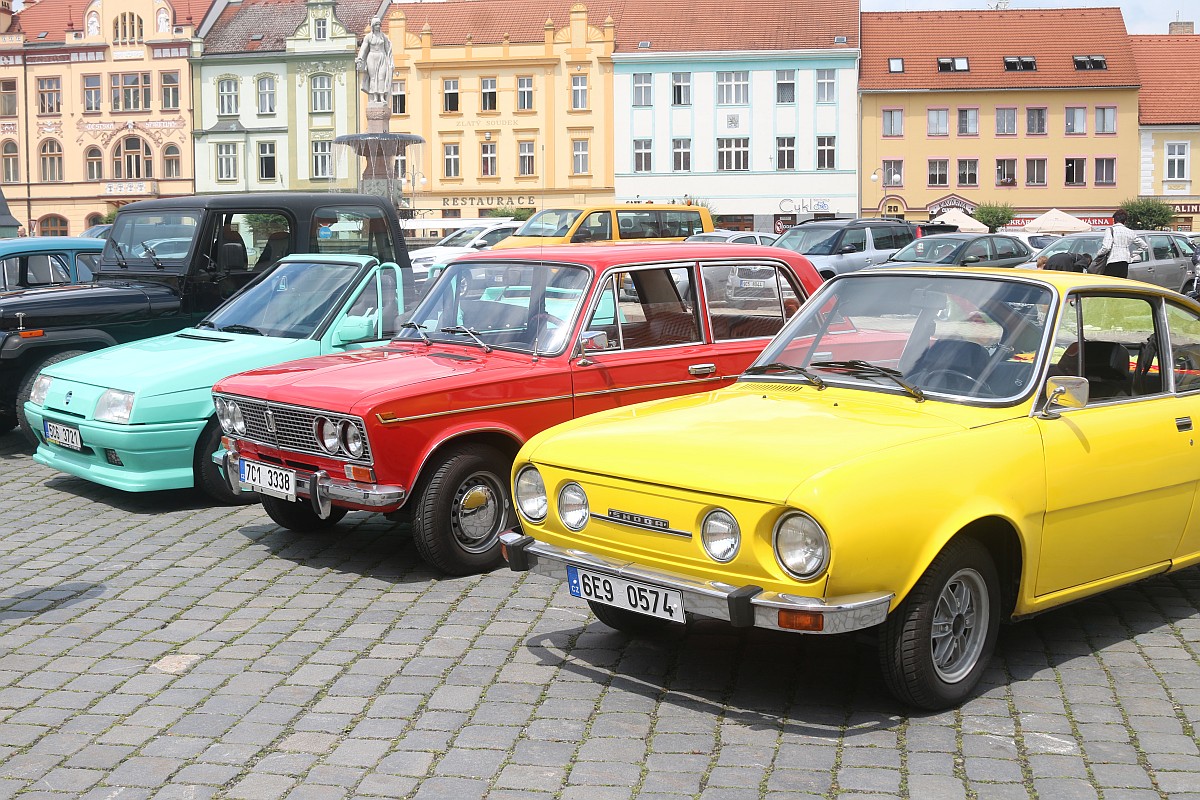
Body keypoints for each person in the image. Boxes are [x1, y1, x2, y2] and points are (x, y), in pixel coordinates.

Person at [1094, 210, 1149, 279]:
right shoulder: (1130, 232)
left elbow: (1106, 247)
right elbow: (1145, 246)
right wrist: (1133, 254)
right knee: (1121, 285)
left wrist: (1098, 253)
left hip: (1112, 262)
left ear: (1114, 220)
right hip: (1125, 263)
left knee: (1109, 285)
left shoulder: (1110, 230)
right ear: (1125, 221)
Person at [356, 18, 393, 104]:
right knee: (373, 78)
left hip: (382, 56)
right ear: (373, 25)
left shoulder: (383, 36)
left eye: (379, 24)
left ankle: (382, 96)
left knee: (381, 77)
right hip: (371, 57)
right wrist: (360, 57)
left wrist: (391, 61)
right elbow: (363, 48)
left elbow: (388, 50)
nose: (378, 26)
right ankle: (374, 97)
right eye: (376, 24)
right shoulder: (368, 37)